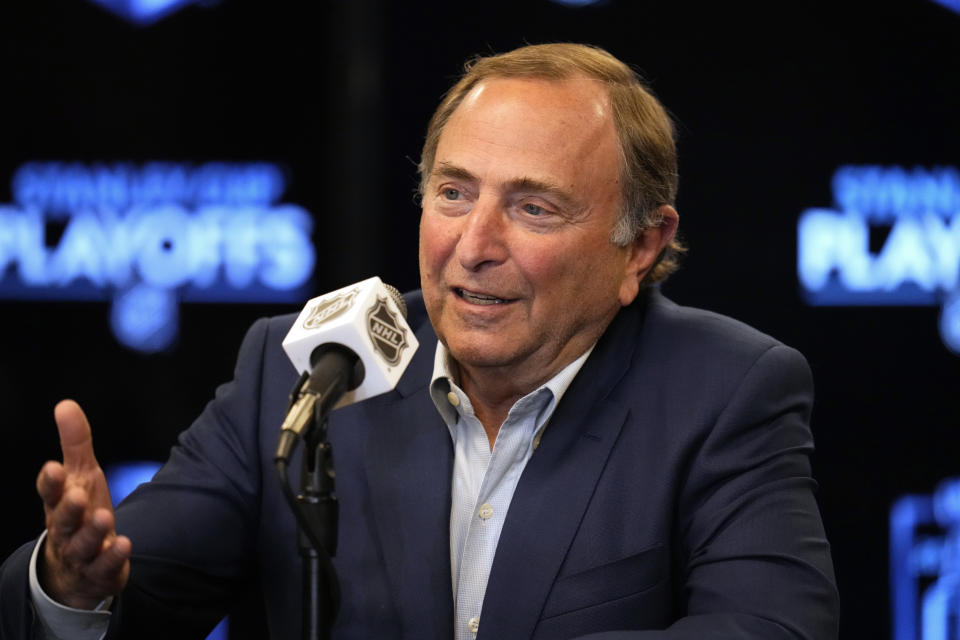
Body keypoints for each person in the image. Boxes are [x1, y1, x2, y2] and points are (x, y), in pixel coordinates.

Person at [0, 43, 840, 639]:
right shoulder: (305, 371)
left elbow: (769, 625)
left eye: (533, 206)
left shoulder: (727, 390)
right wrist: (70, 587)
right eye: (452, 193)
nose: (473, 244)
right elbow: (139, 595)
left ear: (643, 248)